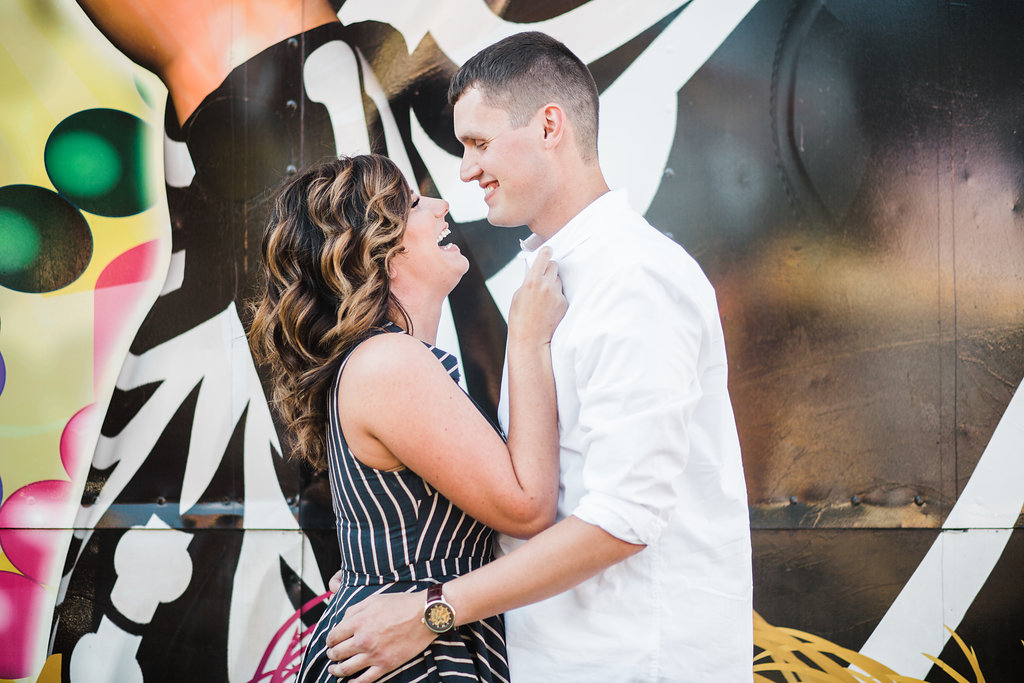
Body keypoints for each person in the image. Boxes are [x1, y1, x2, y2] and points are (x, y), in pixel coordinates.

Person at [323, 32, 754, 682]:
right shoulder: (555, 279)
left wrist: (431, 610)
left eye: (478, 143)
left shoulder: (632, 278)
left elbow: (623, 518)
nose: (466, 171)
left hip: (632, 663)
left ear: (550, 125)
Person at [249, 153, 567, 682]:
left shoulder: (382, 361)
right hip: (415, 658)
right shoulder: (388, 363)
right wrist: (528, 341)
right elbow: (529, 507)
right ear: (382, 250)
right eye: (416, 204)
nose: (443, 207)